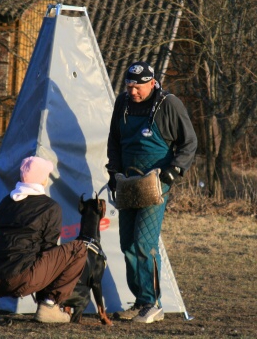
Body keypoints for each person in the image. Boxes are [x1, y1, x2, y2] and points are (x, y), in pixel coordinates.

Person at [106, 61, 197, 323]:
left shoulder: (169, 104)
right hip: (127, 180)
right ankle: (139, 301)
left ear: (152, 83)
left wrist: (175, 170)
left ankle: (152, 304)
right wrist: (113, 172)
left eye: (138, 87)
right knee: (127, 244)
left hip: (155, 182)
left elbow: (189, 142)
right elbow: (114, 139)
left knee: (144, 243)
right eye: (129, 86)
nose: (133, 92)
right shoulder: (122, 103)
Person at [0, 156, 88, 323]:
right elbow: (48, 249)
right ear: (43, 180)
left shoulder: (6, 202)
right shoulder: (50, 207)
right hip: (21, 278)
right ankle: (48, 306)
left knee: (3, 248)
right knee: (79, 249)